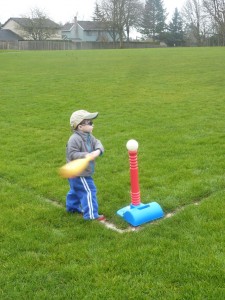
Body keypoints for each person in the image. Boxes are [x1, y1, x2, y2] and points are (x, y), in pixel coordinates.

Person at [65, 109, 105, 221]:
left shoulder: (89, 136)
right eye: (90, 123)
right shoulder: (74, 139)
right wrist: (86, 155)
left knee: (76, 190)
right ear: (80, 126)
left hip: (80, 172)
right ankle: (91, 215)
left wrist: (97, 150)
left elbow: (98, 143)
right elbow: (72, 154)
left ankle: (72, 208)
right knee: (89, 191)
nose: (93, 125)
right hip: (79, 172)